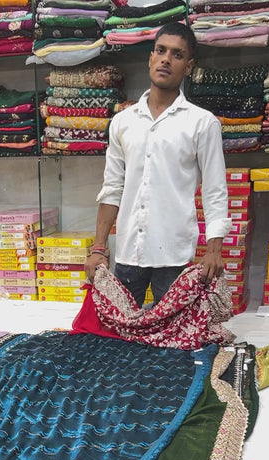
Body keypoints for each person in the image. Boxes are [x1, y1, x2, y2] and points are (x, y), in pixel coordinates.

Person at [85, 21, 232, 307]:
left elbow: (215, 190)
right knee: (121, 340)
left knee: (172, 344)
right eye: (160, 51)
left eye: (177, 55)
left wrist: (214, 248)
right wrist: (99, 247)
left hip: (174, 257)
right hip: (128, 254)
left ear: (188, 66)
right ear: (150, 58)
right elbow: (112, 187)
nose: (166, 59)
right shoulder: (122, 122)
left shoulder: (202, 123)